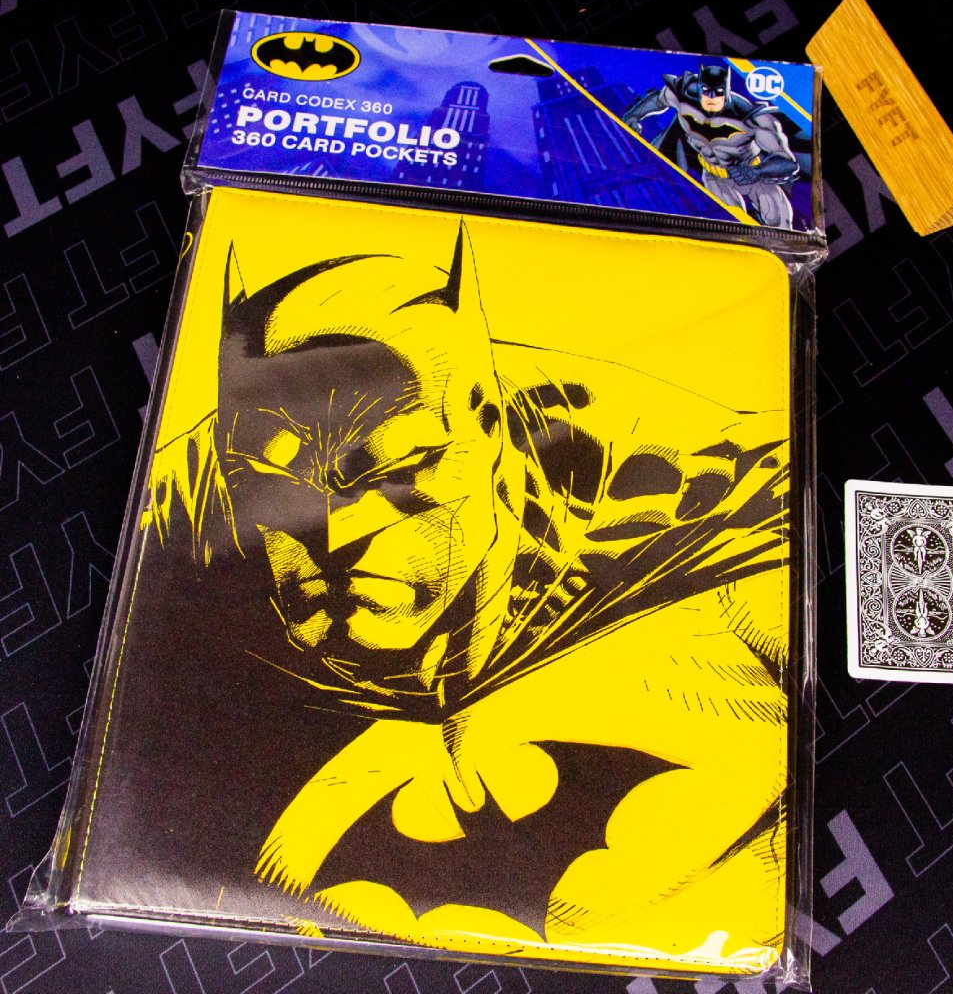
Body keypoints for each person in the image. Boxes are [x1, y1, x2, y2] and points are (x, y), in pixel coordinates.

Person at [159, 223, 792, 964]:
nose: (336, 533)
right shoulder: (182, 510)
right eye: (274, 483)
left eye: (402, 468)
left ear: (488, 428)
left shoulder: (689, 490)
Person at [623, 63, 800, 229]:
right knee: (733, 227)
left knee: (780, 225)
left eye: (718, 92)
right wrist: (634, 115)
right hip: (715, 176)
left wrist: (756, 172)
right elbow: (658, 99)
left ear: (727, 91)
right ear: (700, 88)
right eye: (707, 92)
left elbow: (787, 161)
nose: (712, 98)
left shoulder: (750, 116)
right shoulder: (683, 98)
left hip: (752, 175)